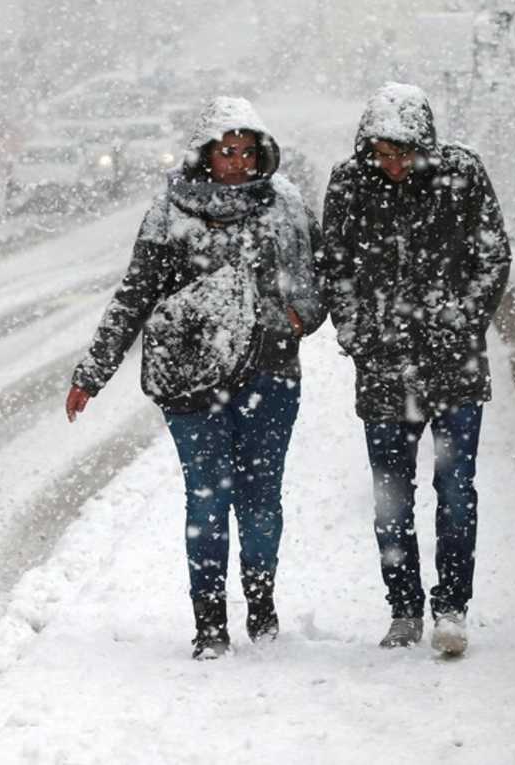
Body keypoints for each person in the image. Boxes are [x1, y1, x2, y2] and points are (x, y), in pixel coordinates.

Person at [66, 96, 326, 659]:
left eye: (246, 151)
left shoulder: (287, 208)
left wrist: (292, 318)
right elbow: (136, 294)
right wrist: (95, 370)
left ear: (262, 154)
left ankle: (261, 603)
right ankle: (208, 621)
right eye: (226, 150)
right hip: (192, 381)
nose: (236, 162)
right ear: (205, 153)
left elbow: (318, 283)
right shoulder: (170, 212)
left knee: (260, 501)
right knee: (206, 499)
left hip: (271, 376)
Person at [320, 82, 511, 657]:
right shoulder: (350, 184)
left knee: (455, 489)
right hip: (384, 369)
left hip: (454, 365)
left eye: (401, 152)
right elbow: (335, 266)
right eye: (381, 152)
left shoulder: (463, 174)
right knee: (391, 494)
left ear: (423, 142)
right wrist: (358, 333)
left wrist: (463, 319)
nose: (392, 164)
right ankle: (403, 607)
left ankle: (451, 605)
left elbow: (493, 254)